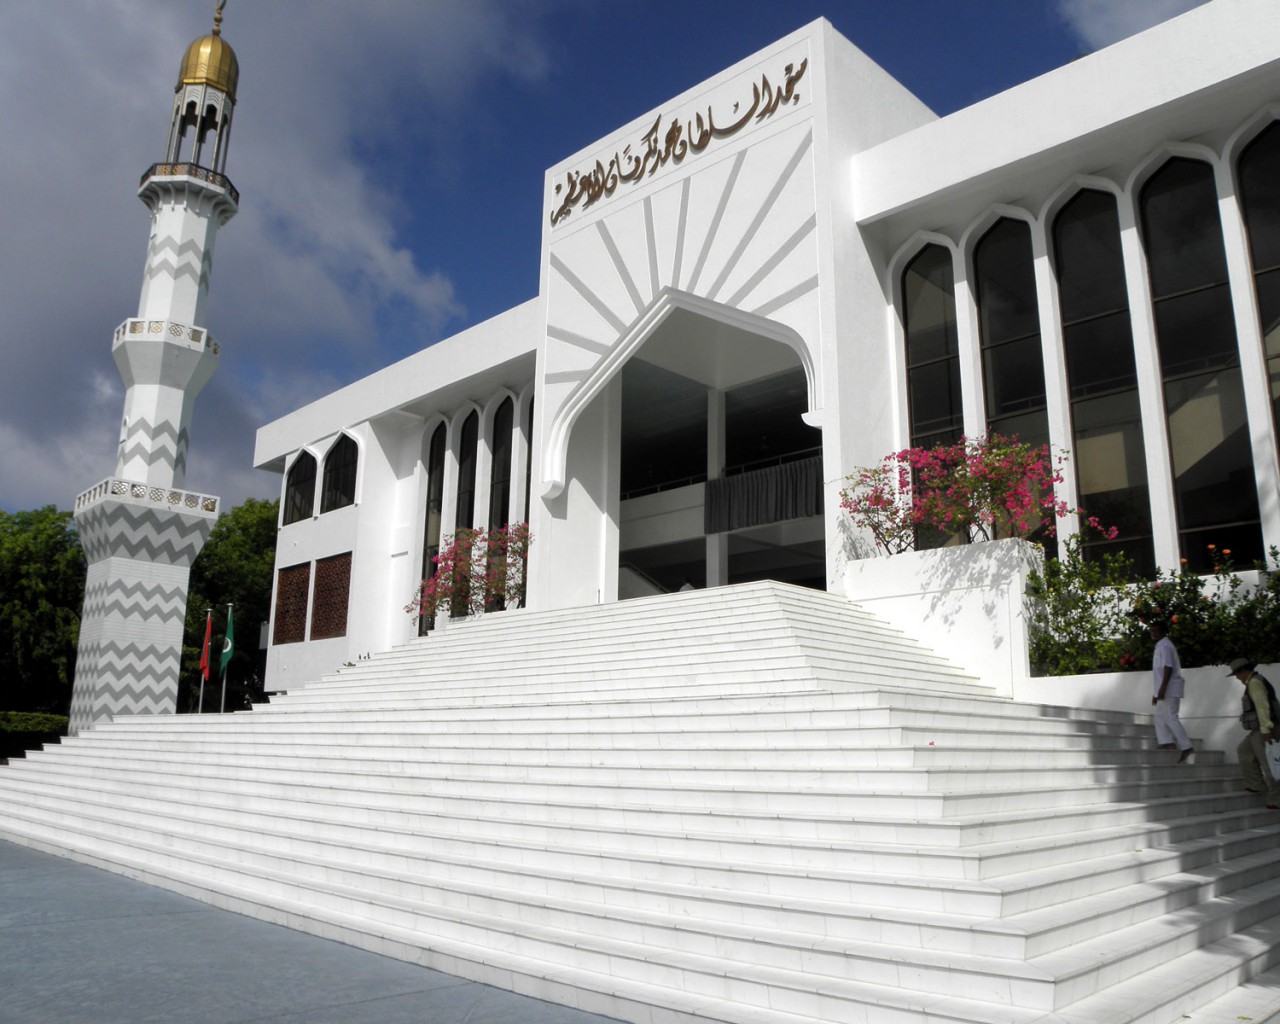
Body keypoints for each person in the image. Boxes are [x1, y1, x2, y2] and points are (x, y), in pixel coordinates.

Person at [1228, 656, 1280, 809]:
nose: (1237, 678)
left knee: (1269, 764)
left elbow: (1262, 707)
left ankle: (1277, 799)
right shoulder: (1253, 681)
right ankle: (1256, 784)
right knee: (1244, 751)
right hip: (1258, 729)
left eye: (1237, 674)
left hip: (1264, 729)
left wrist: (1266, 730)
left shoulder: (1255, 683)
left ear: (1244, 671)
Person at [1149, 621, 1194, 763]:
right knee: (1159, 715)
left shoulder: (1166, 646)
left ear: (1163, 632)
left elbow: (1168, 667)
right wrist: (1156, 692)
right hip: (1163, 688)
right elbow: (1159, 672)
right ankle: (1167, 742)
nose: (1154, 633)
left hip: (1170, 688)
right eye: (1152, 630)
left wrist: (1162, 688)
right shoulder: (1160, 646)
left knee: (1170, 716)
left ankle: (1187, 747)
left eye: (1156, 630)